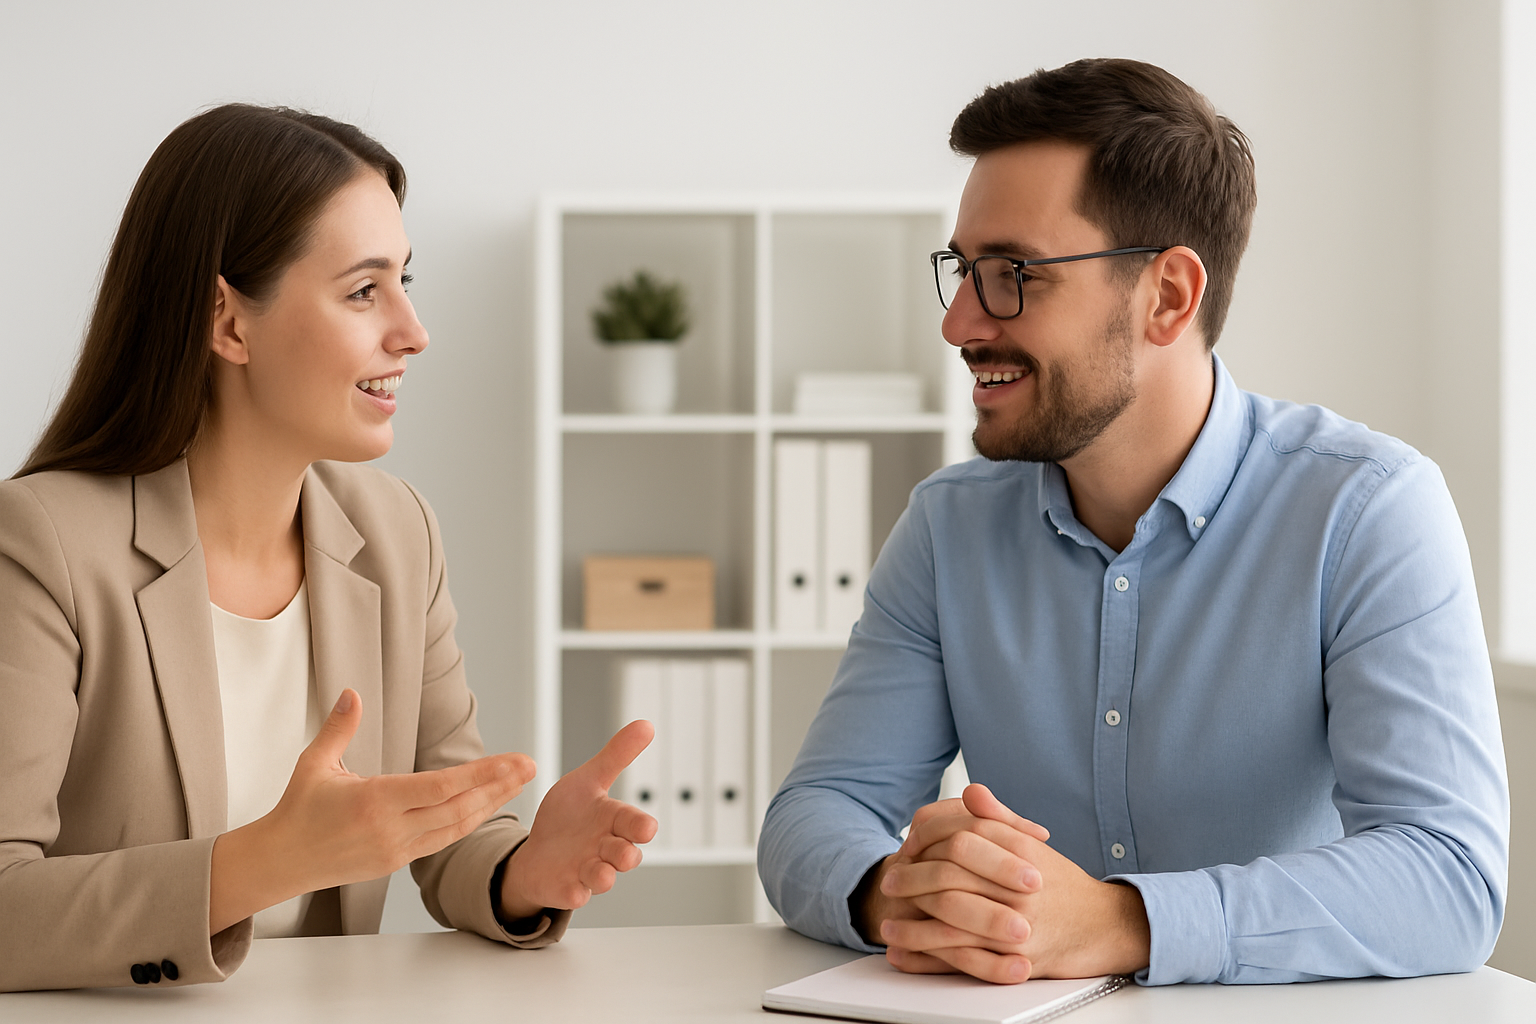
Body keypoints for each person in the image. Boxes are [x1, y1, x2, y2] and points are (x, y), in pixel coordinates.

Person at [758, 58, 1509, 986]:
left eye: (1012, 275)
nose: (958, 324)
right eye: (963, 271)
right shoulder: (946, 528)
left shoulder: (1367, 511)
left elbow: (1449, 878)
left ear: (1168, 297)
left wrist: (1119, 921)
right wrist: (896, 891)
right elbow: (819, 809)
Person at [0, 104, 656, 992]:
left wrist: (521, 870)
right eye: (363, 290)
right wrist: (260, 862)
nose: (412, 331)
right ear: (228, 322)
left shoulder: (397, 534)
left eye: (406, 281)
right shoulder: (44, 543)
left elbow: (441, 814)